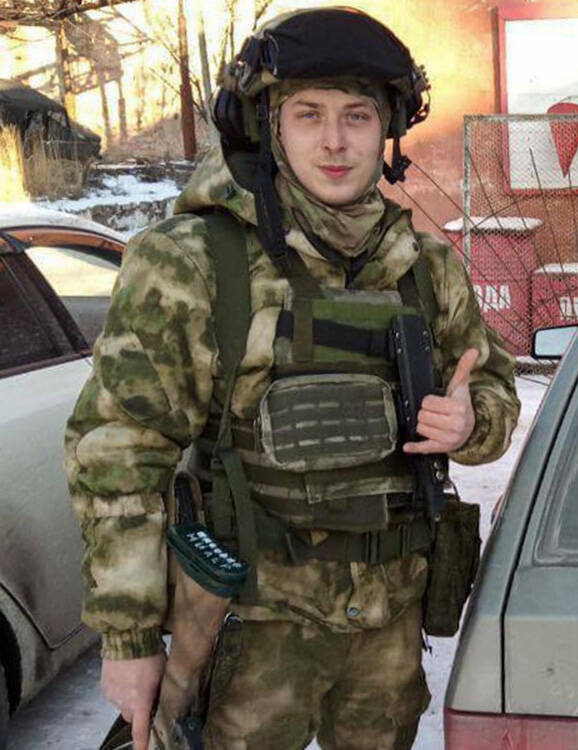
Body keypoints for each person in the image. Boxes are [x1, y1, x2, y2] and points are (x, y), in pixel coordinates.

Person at [64, 8, 520, 749]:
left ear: (387, 129)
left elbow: (492, 386)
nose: (334, 141)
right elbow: (118, 450)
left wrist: (472, 424)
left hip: (385, 635)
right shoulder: (194, 261)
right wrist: (129, 639)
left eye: (356, 115)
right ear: (268, 125)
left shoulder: (426, 267)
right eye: (309, 114)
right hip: (244, 635)